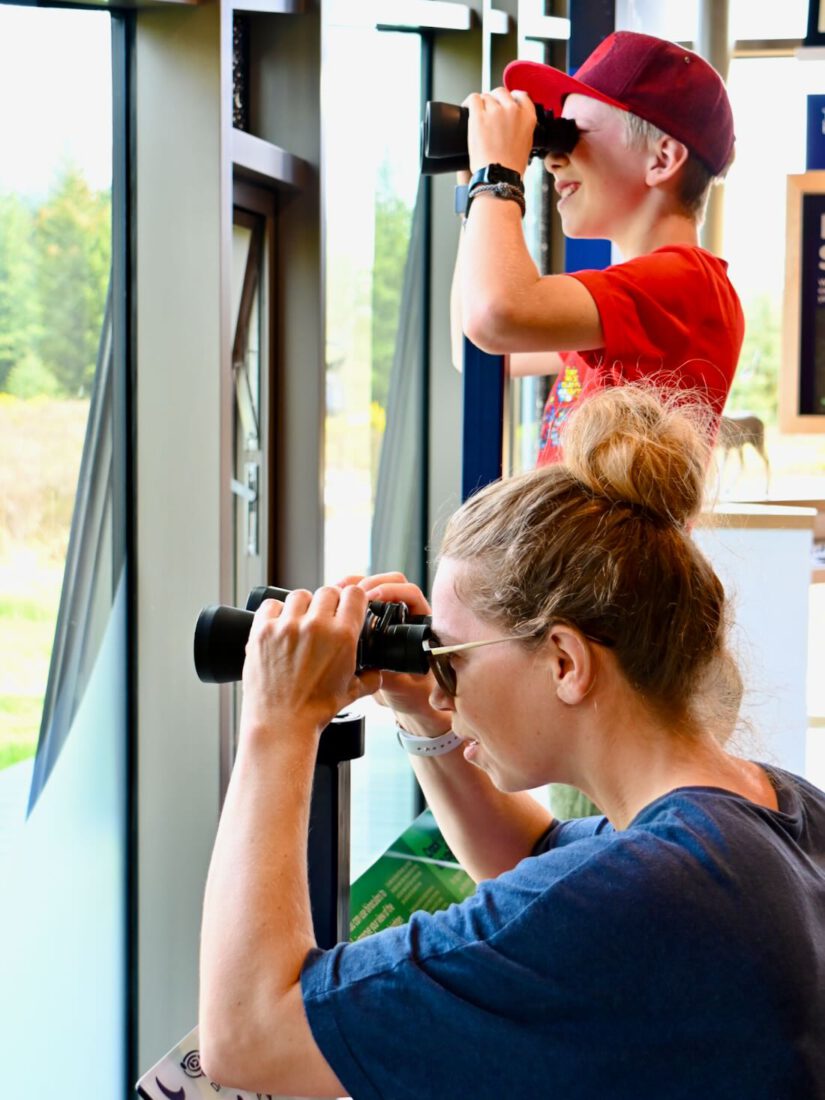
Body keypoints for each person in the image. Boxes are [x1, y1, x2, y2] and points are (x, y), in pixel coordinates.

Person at [198, 387, 825, 1099]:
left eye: (452, 660)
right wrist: (423, 713)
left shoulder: (656, 890)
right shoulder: (766, 810)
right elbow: (525, 862)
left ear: (563, 662)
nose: (441, 688)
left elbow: (248, 1037)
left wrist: (275, 724)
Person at [451, 30, 744, 465]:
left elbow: (494, 317)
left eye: (577, 135)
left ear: (662, 159)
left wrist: (497, 176)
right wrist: (476, 194)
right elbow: (479, 346)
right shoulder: (626, 304)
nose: (552, 160)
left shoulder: (687, 285)